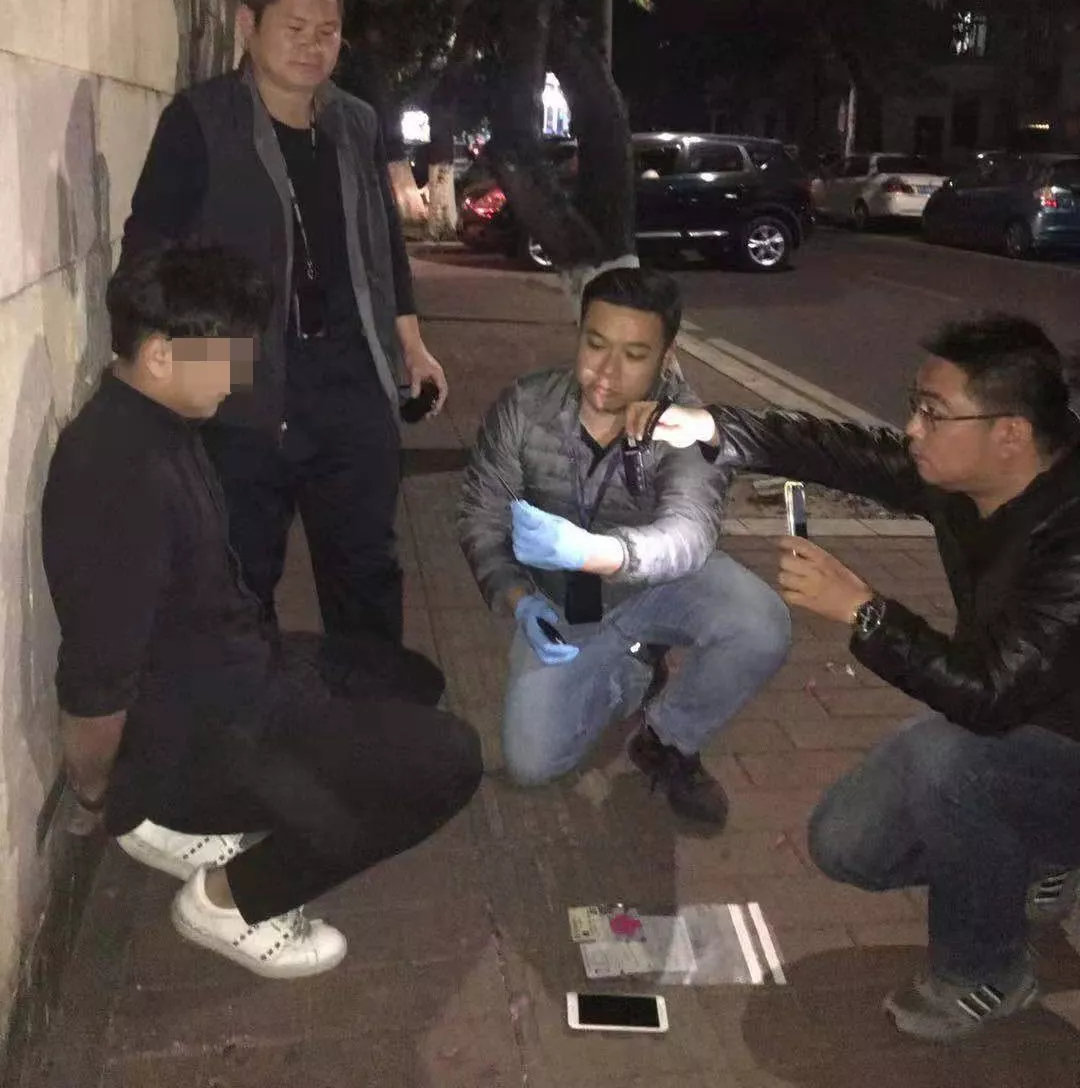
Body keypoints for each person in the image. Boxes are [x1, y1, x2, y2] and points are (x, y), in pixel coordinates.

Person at [627, 313, 1080, 1041]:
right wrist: (718, 426)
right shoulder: (969, 480)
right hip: (1026, 722)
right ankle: (1042, 849)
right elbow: (847, 452)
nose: (911, 428)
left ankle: (988, 970)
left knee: (946, 759)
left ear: (1010, 434)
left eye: (933, 413)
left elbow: (988, 696)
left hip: (1046, 736)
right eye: (914, 405)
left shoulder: (1069, 533)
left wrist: (866, 612)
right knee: (850, 844)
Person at [43, 246, 481, 978]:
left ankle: (199, 818)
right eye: (224, 360)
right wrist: (102, 797)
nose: (237, 378)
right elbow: (94, 681)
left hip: (239, 677)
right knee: (449, 762)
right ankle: (228, 901)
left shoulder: (157, 420)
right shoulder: (119, 477)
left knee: (409, 682)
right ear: (159, 355)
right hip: (203, 734)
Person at [120, 0, 445, 697]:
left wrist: (411, 343)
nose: (312, 46)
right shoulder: (201, 121)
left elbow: (383, 244)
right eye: (294, 28)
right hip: (240, 382)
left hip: (350, 379)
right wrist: (163, 372)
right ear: (248, 24)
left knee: (366, 568)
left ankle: (371, 720)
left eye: (327, 31)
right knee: (239, 575)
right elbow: (147, 251)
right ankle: (249, 725)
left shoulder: (356, 123)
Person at [458, 268, 790, 829]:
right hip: (564, 599)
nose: (607, 373)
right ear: (578, 333)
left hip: (657, 582)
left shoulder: (685, 421)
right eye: (595, 344)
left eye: (635, 354)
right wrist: (518, 598)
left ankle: (668, 737)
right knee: (532, 763)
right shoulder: (525, 405)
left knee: (761, 623)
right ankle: (636, 666)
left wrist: (598, 553)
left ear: (666, 355)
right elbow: (480, 514)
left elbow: (689, 532)